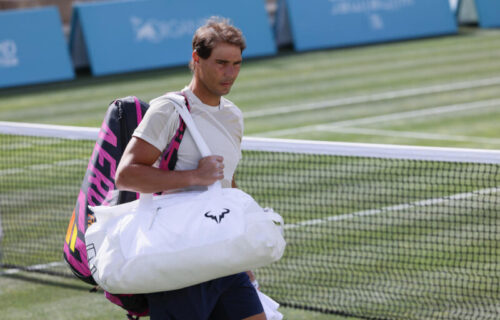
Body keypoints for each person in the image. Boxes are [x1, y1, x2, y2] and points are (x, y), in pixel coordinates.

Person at [115, 17, 266, 320]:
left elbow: (225, 182)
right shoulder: (168, 110)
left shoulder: (233, 116)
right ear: (197, 59)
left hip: (223, 253)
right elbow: (126, 174)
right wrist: (194, 176)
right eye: (221, 63)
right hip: (181, 258)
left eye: (237, 64)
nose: (230, 73)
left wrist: (241, 247)